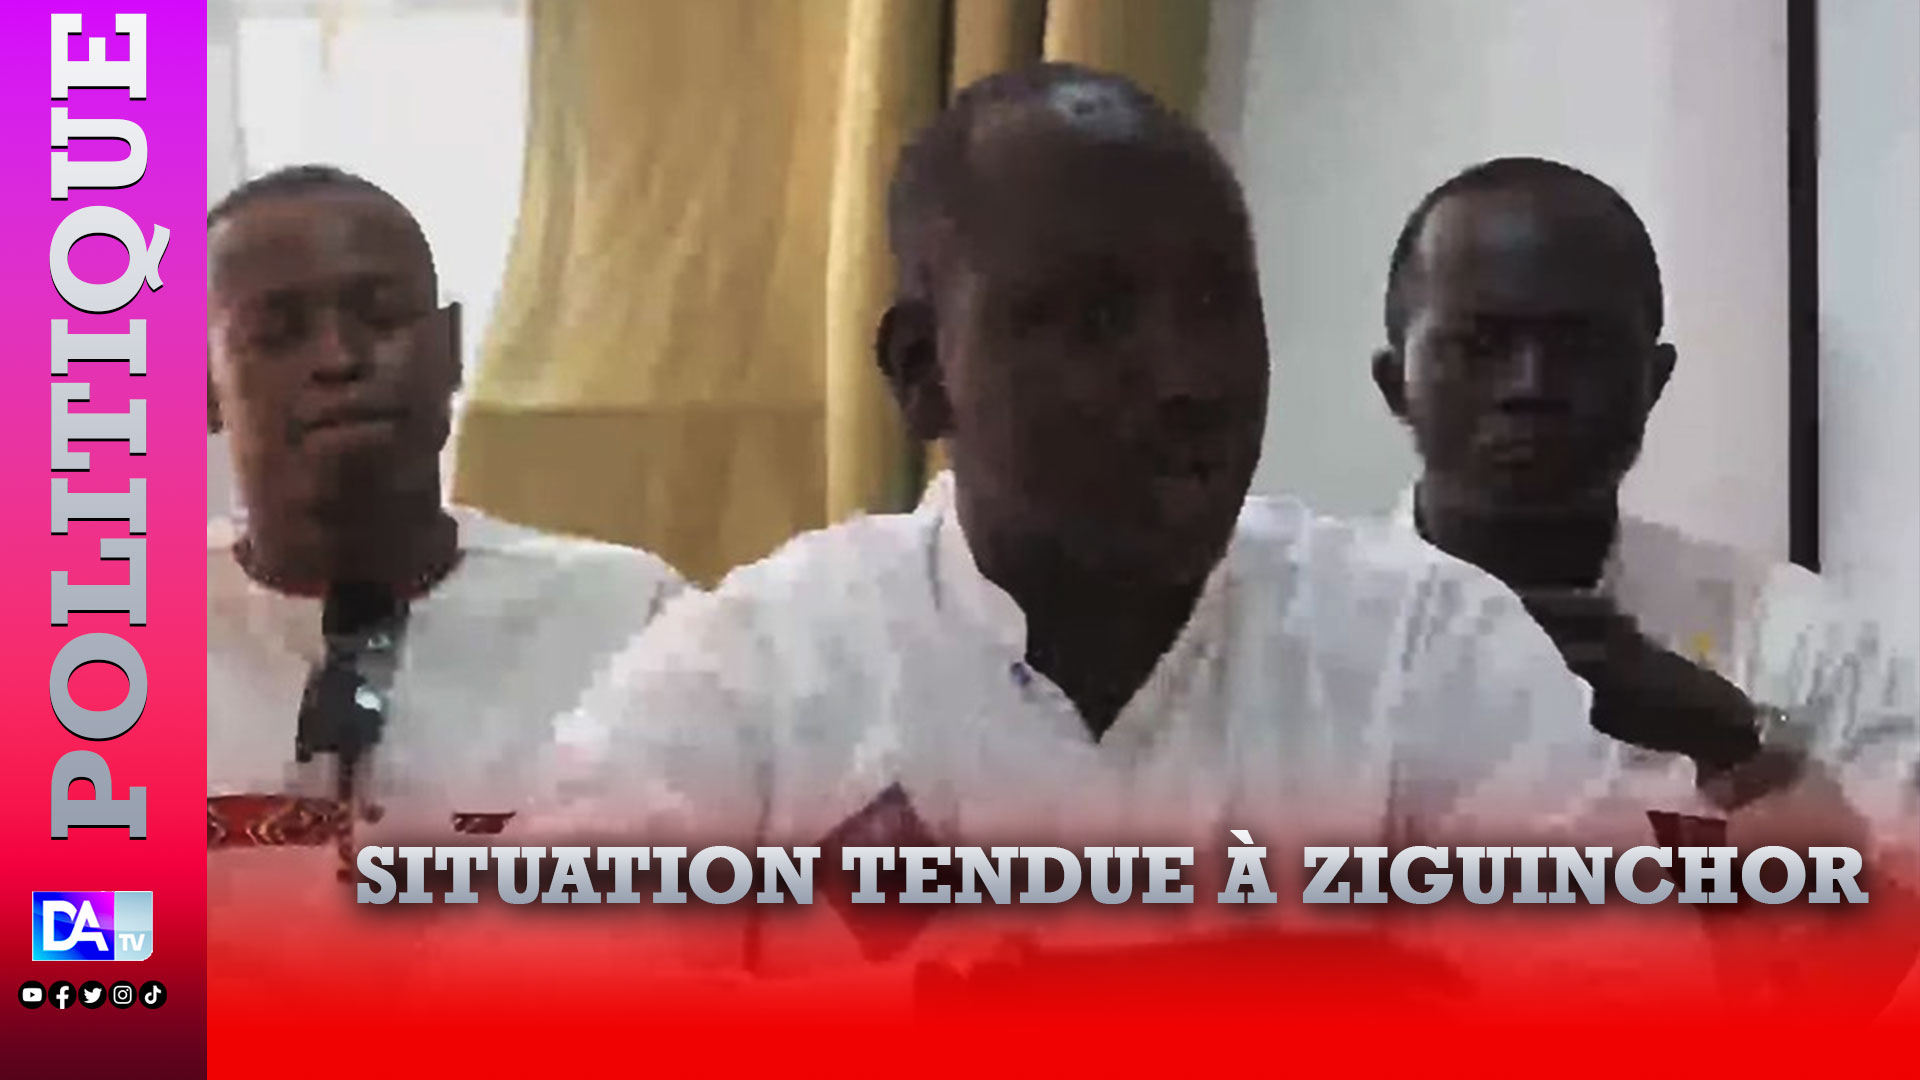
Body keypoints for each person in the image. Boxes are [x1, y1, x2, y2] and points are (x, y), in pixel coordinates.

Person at [527, 67, 1663, 1004]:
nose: (1187, 378)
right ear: (924, 373)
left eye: (1218, 305)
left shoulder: (1428, 646)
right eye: (1094, 318)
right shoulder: (757, 676)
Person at [1370, 156, 1920, 1009]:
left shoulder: (1803, 644)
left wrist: (1740, 749)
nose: (1530, 388)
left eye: (1580, 349)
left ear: (1653, 383)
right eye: (1479, 346)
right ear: (1395, 382)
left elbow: (1888, 993)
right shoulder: (1292, 646)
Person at [205, 166, 688, 935]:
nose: (339, 358)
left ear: (451, 351)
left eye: (381, 316)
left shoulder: (628, 618)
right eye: (277, 333)